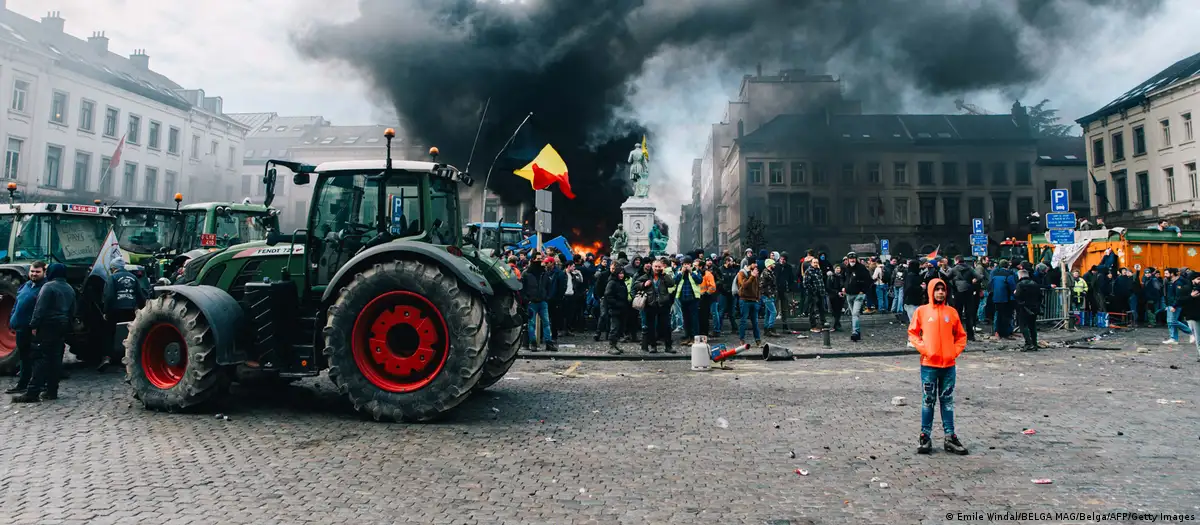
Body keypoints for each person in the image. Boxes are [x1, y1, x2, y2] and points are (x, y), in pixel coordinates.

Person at [907, 278, 969, 455]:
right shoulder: (922, 311)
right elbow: (912, 333)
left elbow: (961, 336)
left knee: (947, 401)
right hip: (929, 364)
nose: (940, 292)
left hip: (948, 364)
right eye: (937, 289)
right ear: (931, 292)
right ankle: (925, 435)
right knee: (928, 400)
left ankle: (950, 436)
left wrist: (954, 351)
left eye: (943, 289)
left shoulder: (952, 312)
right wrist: (924, 349)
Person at [13, 263, 75, 403]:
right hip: (62, 326)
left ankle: (32, 393)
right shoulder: (69, 288)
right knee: (55, 360)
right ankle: (52, 391)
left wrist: (34, 325)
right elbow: (73, 310)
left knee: (40, 359)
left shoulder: (48, 287)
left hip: (47, 326)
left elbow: (40, 308)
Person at [98, 258, 147, 372]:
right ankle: (126, 359)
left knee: (109, 334)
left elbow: (109, 296)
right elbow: (140, 295)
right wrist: (141, 309)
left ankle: (107, 357)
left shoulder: (112, 278)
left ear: (114, 268)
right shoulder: (133, 278)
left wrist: (106, 311)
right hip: (130, 310)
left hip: (115, 310)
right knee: (128, 335)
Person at [5, 261, 46, 395]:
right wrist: (12, 318)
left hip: (32, 329)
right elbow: (17, 303)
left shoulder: (44, 288)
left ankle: (37, 385)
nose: (34, 274)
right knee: (24, 358)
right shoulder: (26, 285)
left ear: (43, 272)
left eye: (37, 272)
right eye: (32, 271)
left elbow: (41, 310)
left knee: (35, 358)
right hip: (20, 328)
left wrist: (35, 325)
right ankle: (22, 384)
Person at [640, 258, 677, 354]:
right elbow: (636, 285)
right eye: (655, 266)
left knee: (666, 326)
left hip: (663, 304)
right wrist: (643, 284)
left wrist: (664, 274)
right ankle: (653, 346)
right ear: (652, 267)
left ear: (662, 267)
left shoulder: (664, 276)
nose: (657, 268)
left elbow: (672, 283)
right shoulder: (646, 276)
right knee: (651, 327)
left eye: (659, 266)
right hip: (650, 304)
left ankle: (668, 346)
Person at [520, 257, 556, 352]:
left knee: (542, 323)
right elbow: (522, 289)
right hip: (535, 302)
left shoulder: (535, 273)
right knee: (539, 323)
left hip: (539, 301)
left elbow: (548, 286)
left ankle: (538, 343)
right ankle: (539, 343)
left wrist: (546, 297)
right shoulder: (540, 273)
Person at [949, 255, 982, 341]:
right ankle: (970, 335)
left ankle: (957, 334)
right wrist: (973, 282)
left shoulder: (954, 269)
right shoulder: (970, 268)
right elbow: (979, 277)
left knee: (958, 314)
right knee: (969, 314)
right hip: (968, 292)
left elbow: (947, 277)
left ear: (956, 261)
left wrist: (954, 283)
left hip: (958, 293)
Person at [841, 252, 872, 342]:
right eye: (850, 258)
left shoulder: (861, 268)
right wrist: (843, 287)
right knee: (853, 314)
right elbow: (843, 278)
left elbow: (868, 281)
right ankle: (856, 331)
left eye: (854, 258)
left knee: (855, 313)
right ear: (848, 259)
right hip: (848, 294)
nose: (852, 260)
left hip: (859, 294)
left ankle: (855, 332)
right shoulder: (846, 268)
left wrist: (863, 291)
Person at [603, 266, 631, 355]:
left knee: (619, 328)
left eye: (622, 273)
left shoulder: (621, 283)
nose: (621, 275)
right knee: (614, 328)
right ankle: (612, 345)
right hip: (615, 309)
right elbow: (608, 296)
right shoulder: (612, 283)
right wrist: (617, 304)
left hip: (622, 309)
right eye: (620, 273)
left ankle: (615, 345)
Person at [1014, 269, 1043, 352]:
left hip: (1024, 307)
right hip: (1034, 307)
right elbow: (1040, 296)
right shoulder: (1035, 284)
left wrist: (1015, 293)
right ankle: (1034, 343)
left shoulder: (1020, 284)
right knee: (1032, 326)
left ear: (1020, 276)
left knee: (1023, 326)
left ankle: (1028, 343)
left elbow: (1018, 295)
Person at [1163, 268, 1194, 344]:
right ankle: (1173, 338)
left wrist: (1174, 306)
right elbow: (1169, 295)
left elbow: (1178, 296)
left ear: (1172, 274)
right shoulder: (1172, 282)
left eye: (1166, 273)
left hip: (1175, 305)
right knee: (1170, 322)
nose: (1165, 275)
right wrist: (1167, 305)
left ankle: (1191, 333)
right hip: (1170, 304)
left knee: (1173, 321)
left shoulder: (1178, 282)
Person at [674, 257, 702, 341]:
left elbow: (699, 280)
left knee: (694, 317)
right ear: (682, 265)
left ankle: (695, 335)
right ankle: (687, 334)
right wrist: (681, 273)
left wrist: (691, 272)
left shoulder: (695, 271)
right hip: (683, 297)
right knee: (686, 317)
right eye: (684, 264)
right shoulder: (679, 271)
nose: (686, 266)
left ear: (691, 264)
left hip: (693, 297)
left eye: (688, 264)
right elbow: (675, 281)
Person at [989, 260, 1017, 339]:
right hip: (1006, 298)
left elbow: (990, 285)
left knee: (998, 315)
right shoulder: (1009, 275)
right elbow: (1013, 287)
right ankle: (1006, 333)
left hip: (996, 298)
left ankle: (997, 332)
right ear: (1007, 266)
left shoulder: (994, 274)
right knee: (1006, 316)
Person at [736, 263, 762, 345]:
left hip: (754, 300)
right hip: (745, 300)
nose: (756, 265)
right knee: (743, 320)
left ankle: (758, 340)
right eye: (754, 263)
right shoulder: (742, 273)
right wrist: (752, 276)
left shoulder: (756, 272)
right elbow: (744, 285)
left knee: (755, 322)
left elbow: (758, 287)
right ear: (750, 264)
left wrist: (758, 298)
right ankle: (742, 339)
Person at [1179, 272, 1200, 361]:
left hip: (1195, 315)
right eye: (1198, 279)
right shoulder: (1186, 289)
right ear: (1192, 279)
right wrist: (1190, 296)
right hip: (1193, 316)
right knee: (1198, 336)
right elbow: (1180, 301)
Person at [803, 257, 827, 332]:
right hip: (812, 294)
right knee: (812, 310)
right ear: (811, 263)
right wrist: (813, 290)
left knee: (821, 309)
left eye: (817, 262)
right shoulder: (808, 271)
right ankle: (813, 326)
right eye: (814, 262)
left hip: (821, 293)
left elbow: (821, 281)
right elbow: (805, 283)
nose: (816, 264)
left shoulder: (819, 271)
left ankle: (823, 325)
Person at [761, 259, 779, 337]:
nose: (774, 265)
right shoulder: (766, 274)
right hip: (767, 295)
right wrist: (766, 293)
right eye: (773, 264)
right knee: (773, 312)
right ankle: (770, 328)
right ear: (769, 265)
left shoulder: (769, 273)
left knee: (768, 312)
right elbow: (762, 285)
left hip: (769, 295)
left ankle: (766, 329)